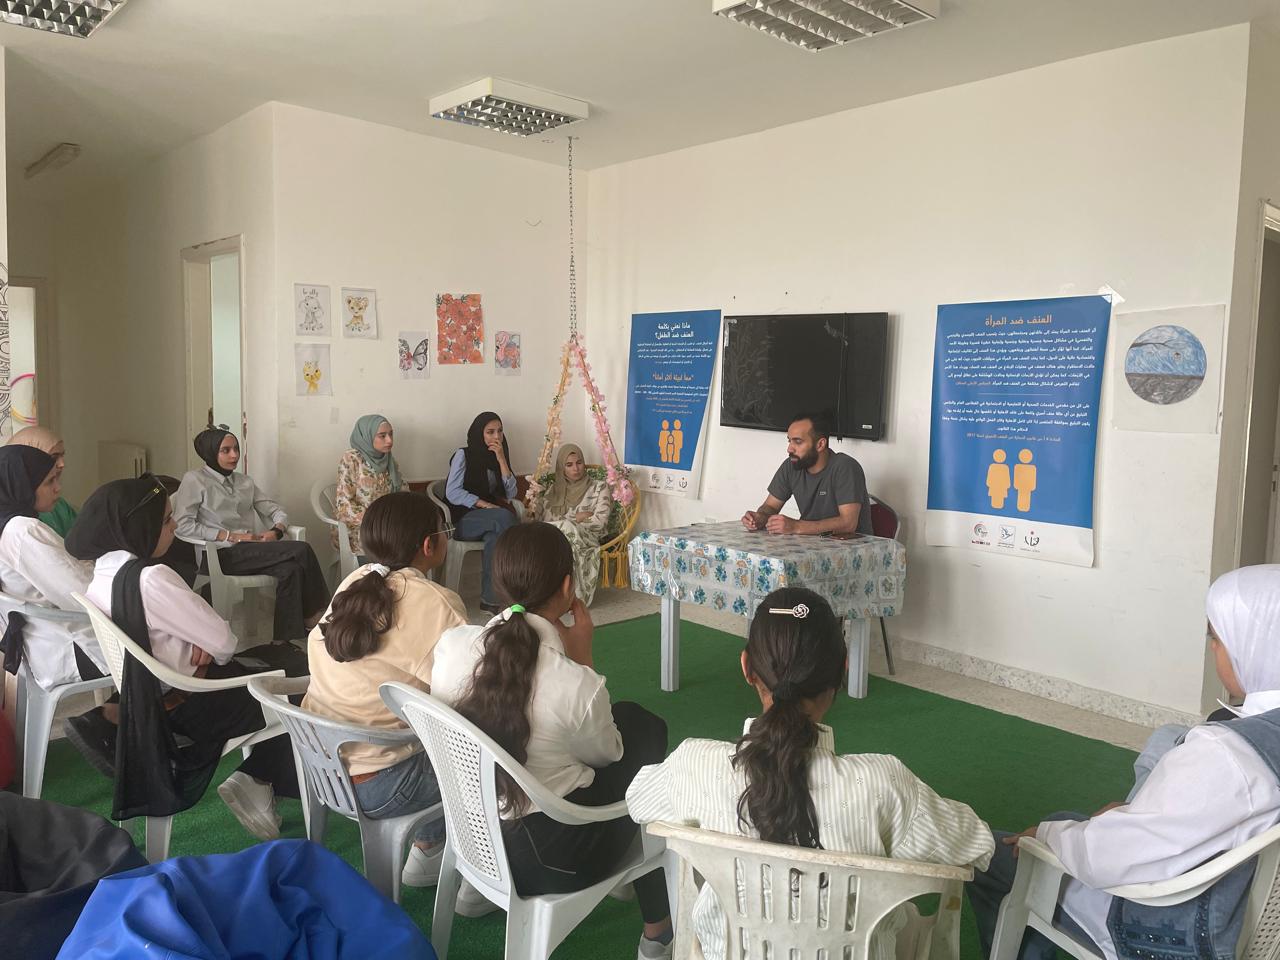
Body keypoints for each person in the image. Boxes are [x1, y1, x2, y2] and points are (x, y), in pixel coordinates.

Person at [628, 587, 993, 960]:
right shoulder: (885, 785)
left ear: (747, 667)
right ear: (843, 669)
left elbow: (638, 799)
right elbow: (977, 845)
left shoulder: (694, 764)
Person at [967, 564, 1280, 960]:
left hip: (1178, 922)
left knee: (995, 856)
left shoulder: (1226, 755)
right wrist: (1125, 817)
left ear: (1251, 645)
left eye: (1216, 639)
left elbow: (1107, 858)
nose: (1213, 649)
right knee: (1074, 815)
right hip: (1251, 907)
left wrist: (1043, 838)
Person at [431, 522, 674, 954]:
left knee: (624, 721)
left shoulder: (453, 646)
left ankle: (474, 892)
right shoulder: (573, 685)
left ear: (499, 581)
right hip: (552, 862)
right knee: (644, 730)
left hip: (475, 835)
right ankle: (658, 931)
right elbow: (609, 755)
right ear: (567, 586)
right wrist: (583, 662)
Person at [66, 475, 300, 841]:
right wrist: (202, 647)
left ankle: (257, 776)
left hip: (154, 698)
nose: (175, 526)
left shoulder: (101, 577)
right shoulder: (152, 578)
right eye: (166, 520)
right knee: (303, 681)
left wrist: (196, 645)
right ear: (137, 527)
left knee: (278, 658)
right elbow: (224, 643)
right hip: (202, 703)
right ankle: (257, 777)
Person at [304, 492, 464, 888]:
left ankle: (431, 843)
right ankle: (449, 857)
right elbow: (471, 690)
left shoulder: (356, 582)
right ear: (429, 545)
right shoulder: (434, 602)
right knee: (499, 756)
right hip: (383, 782)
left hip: (324, 767)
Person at [173, 427, 328, 645]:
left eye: (236, 449)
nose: (234, 455)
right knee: (302, 549)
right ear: (210, 453)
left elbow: (275, 510)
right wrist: (230, 536)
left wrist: (277, 530)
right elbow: (182, 525)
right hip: (218, 554)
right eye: (226, 450)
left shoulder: (244, 481)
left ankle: (283, 642)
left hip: (250, 550)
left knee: (291, 570)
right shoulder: (195, 480)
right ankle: (320, 616)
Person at [0, 444, 105, 690]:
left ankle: (112, 710)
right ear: (21, 485)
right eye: (49, 482)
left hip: (41, 649)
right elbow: (83, 594)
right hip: (74, 649)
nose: (58, 488)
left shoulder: (8, 526)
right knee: (167, 645)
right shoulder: (24, 531)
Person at [741, 412, 873, 536]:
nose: (789, 449)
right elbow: (770, 506)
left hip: (852, 547)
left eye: (798, 442)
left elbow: (848, 524)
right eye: (789, 441)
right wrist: (760, 517)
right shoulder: (791, 465)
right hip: (811, 543)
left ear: (820, 444)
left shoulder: (845, 466)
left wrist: (796, 526)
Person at [444, 411, 519, 614]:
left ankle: (490, 600)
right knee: (505, 518)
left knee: (496, 537)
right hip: (464, 518)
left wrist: (501, 459)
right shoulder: (463, 455)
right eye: (490, 432)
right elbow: (452, 492)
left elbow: (511, 493)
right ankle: (517, 590)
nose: (497, 437)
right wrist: (484, 505)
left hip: (492, 520)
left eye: (500, 431)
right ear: (479, 433)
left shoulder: (499, 456)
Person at [532, 443, 611, 606]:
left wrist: (573, 523)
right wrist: (579, 517)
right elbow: (539, 523)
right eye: (569, 465)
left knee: (566, 528)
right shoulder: (551, 491)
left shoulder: (599, 487)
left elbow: (600, 522)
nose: (576, 468)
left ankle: (575, 597)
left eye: (579, 463)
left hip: (587, 538)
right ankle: (556, 594)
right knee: (556, 534)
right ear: (562, 468)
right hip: (555, 540)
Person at [335, 414, 402, 558]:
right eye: (382, 436)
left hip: (387, 524)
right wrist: (377, 521)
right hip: (360, 527)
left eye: (391, 434)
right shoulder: (352, 459)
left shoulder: (389, 460)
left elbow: (402, 493)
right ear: (366, 436)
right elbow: (344, 505)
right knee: (397, 543)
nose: (389, 440)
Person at [9, 426, 77, 537]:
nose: (62, 464)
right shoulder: (11, 518)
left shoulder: (59, 506)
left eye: (62, 456)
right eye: (54, 457)